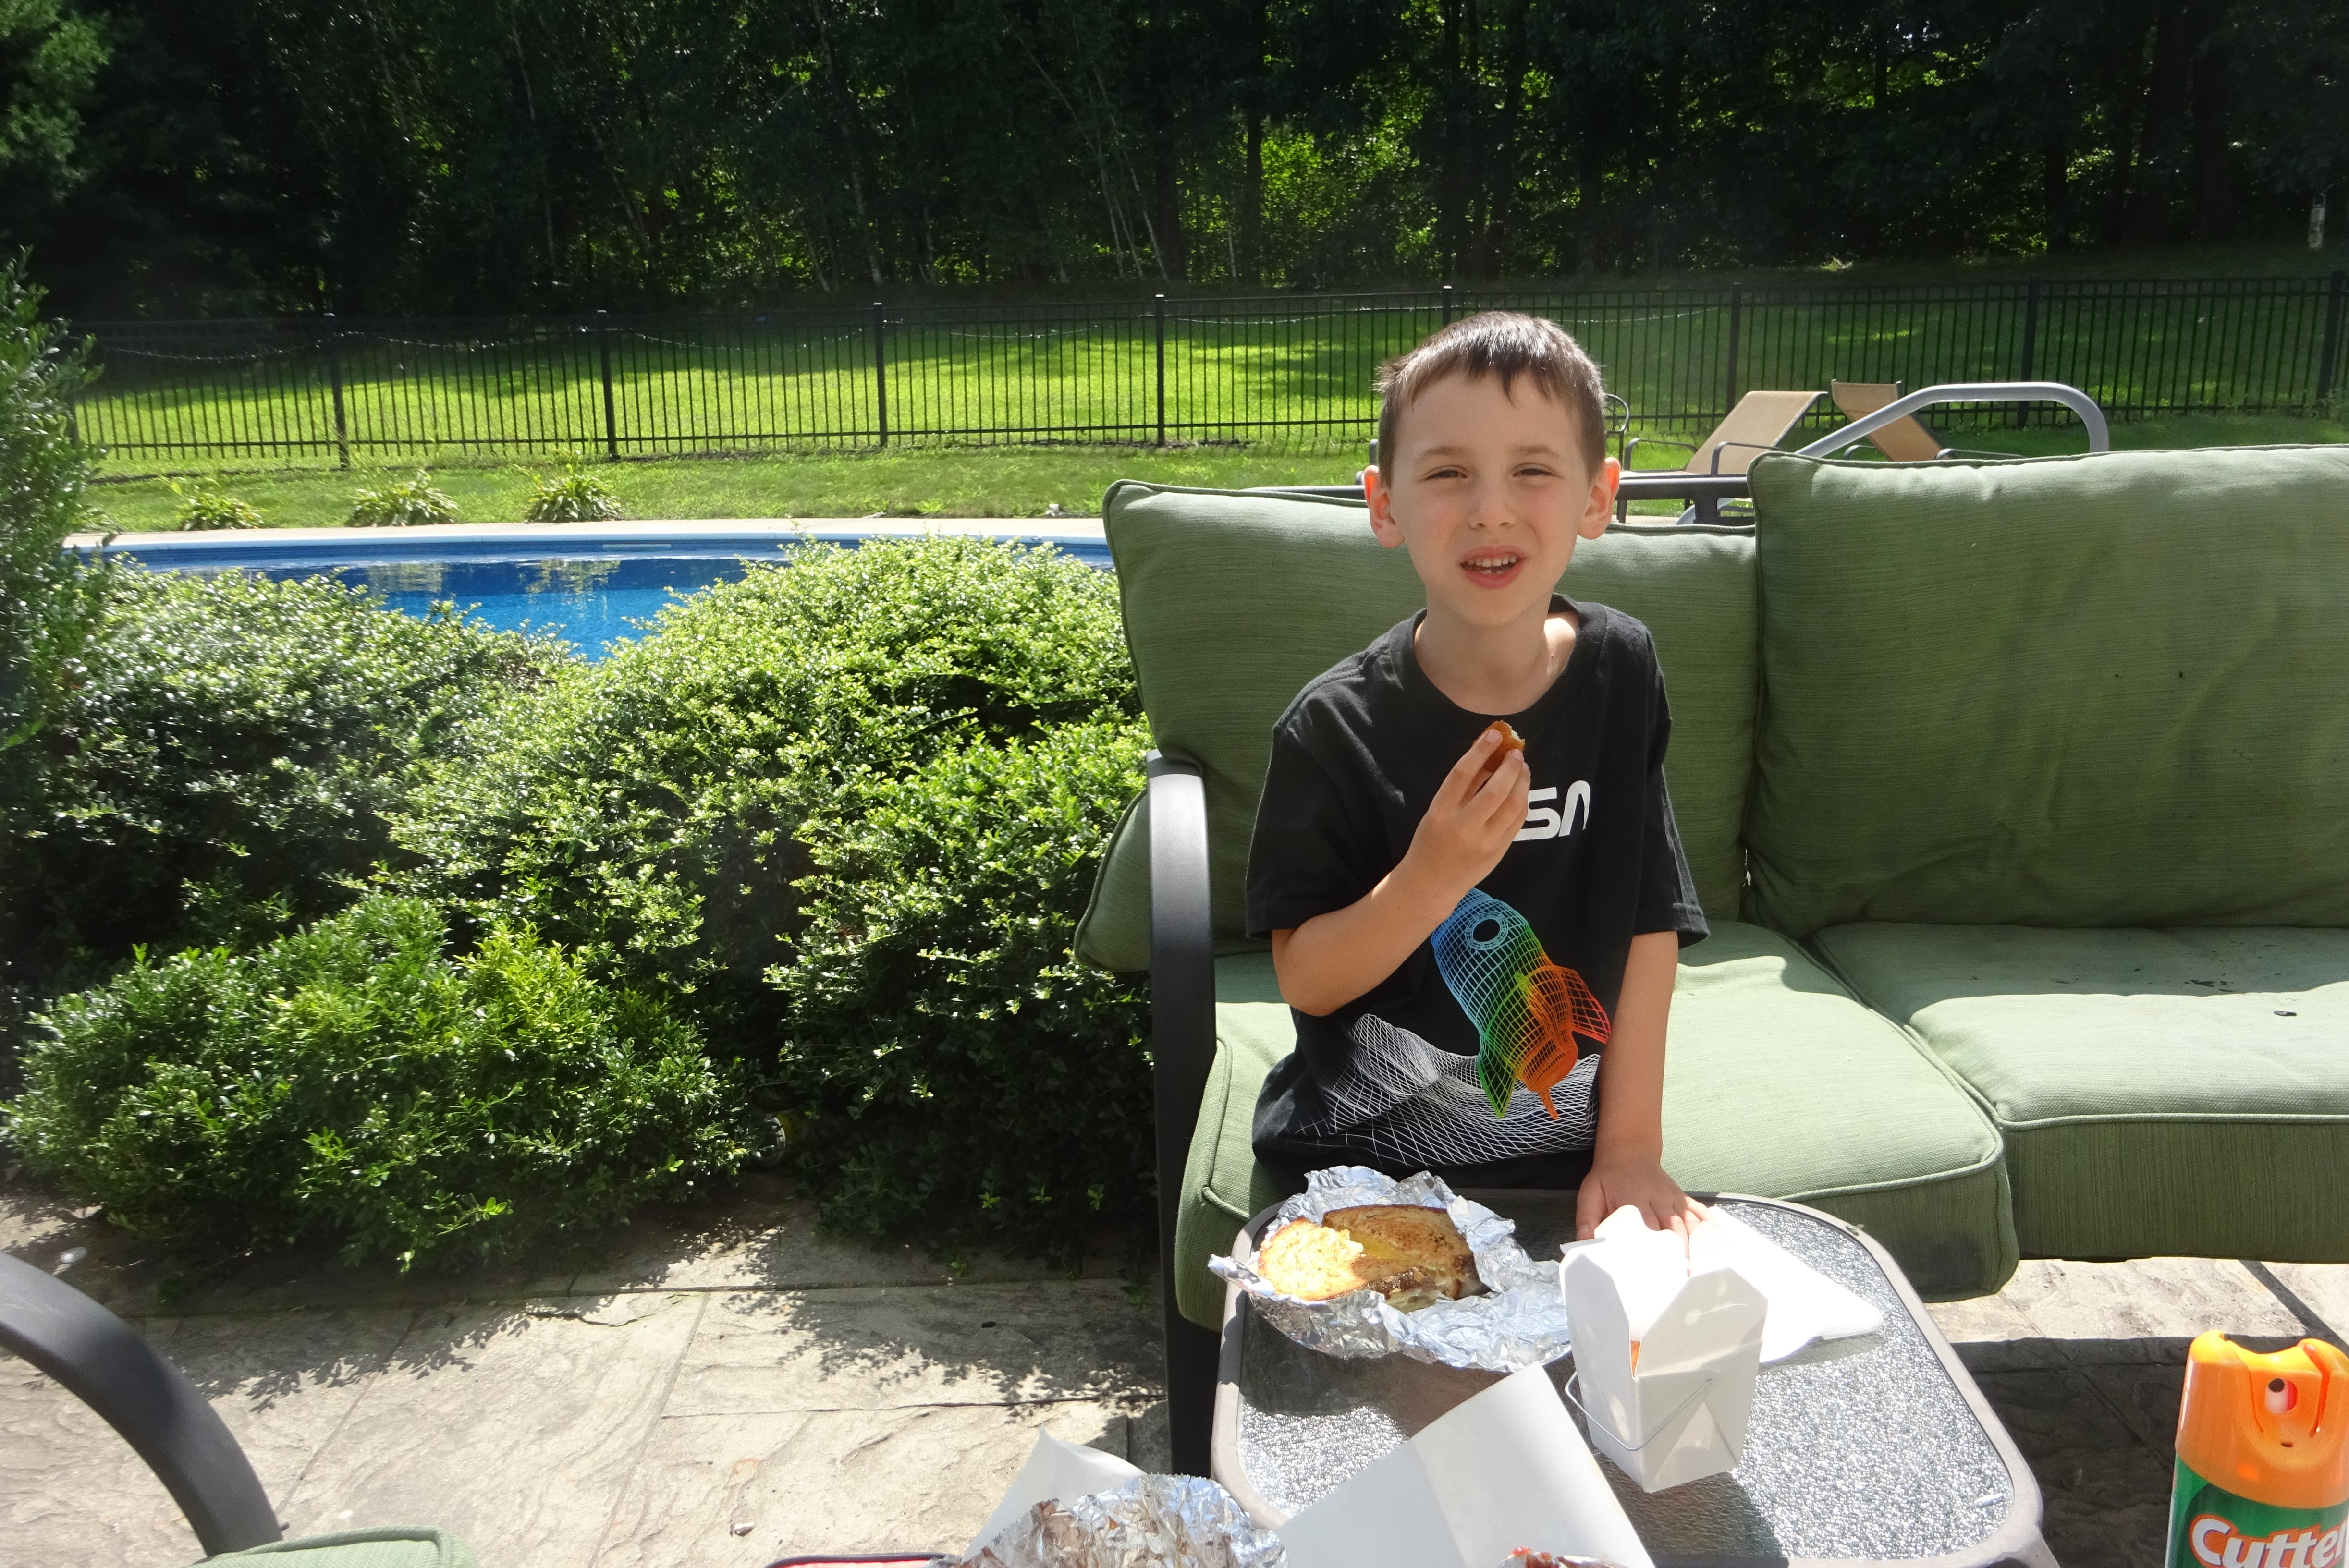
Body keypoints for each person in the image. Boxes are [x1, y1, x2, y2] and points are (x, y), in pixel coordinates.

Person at [1245, 311, 1708, 1241]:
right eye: (1448, 472)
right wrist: (1434, 876)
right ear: (1384, 505)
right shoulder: (1333, 728)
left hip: (1567, 1158)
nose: (1490, 509)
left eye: (1532, 470)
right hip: (1359, 1163)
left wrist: (1629, 1146)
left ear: (1596, 498)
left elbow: (1648, 920)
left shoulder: (1620, 671)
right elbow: (1307, 979)